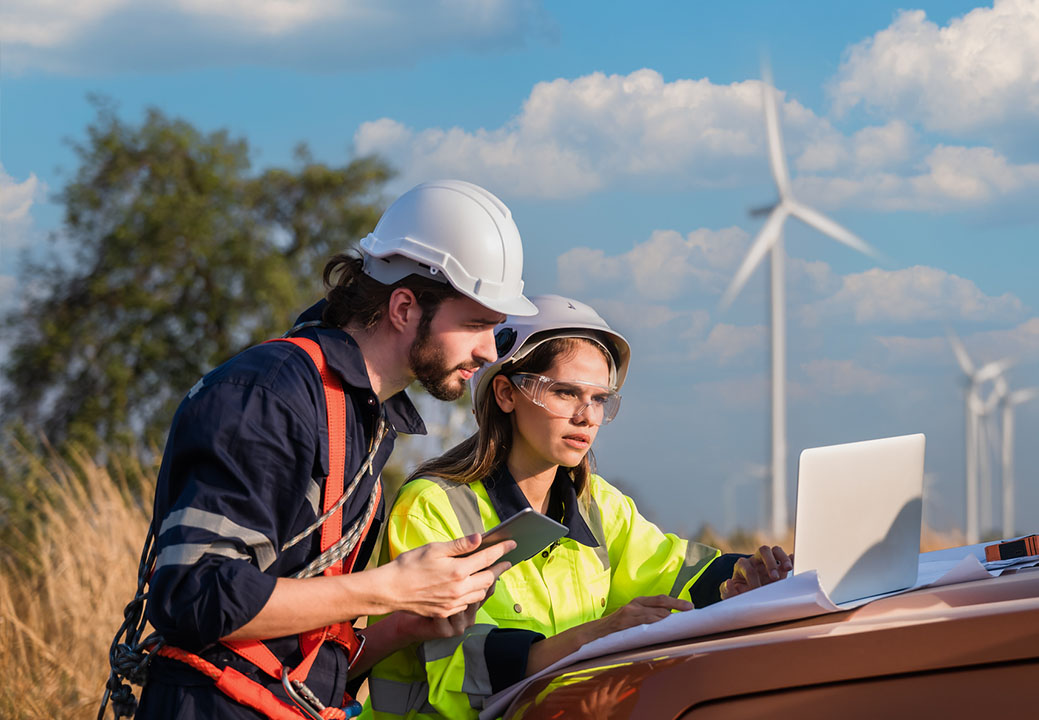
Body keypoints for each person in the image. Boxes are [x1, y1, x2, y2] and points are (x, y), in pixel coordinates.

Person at [104, 180, 538, 720]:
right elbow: (195, 595)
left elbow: (293, 645)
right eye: (475, 324)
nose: (486, 351)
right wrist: (389, 588)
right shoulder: (267, 394)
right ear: (404, 306)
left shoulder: (366, 418)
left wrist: (404, 618)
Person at [365, 295, 792, 719]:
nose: (587, 416)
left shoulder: (599, 506)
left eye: (600, 399)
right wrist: (598, 634)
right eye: (566, 393)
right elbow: (454, 672)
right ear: (505, 394)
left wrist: (743, 579)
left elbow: (675, 570)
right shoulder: (431, 507)